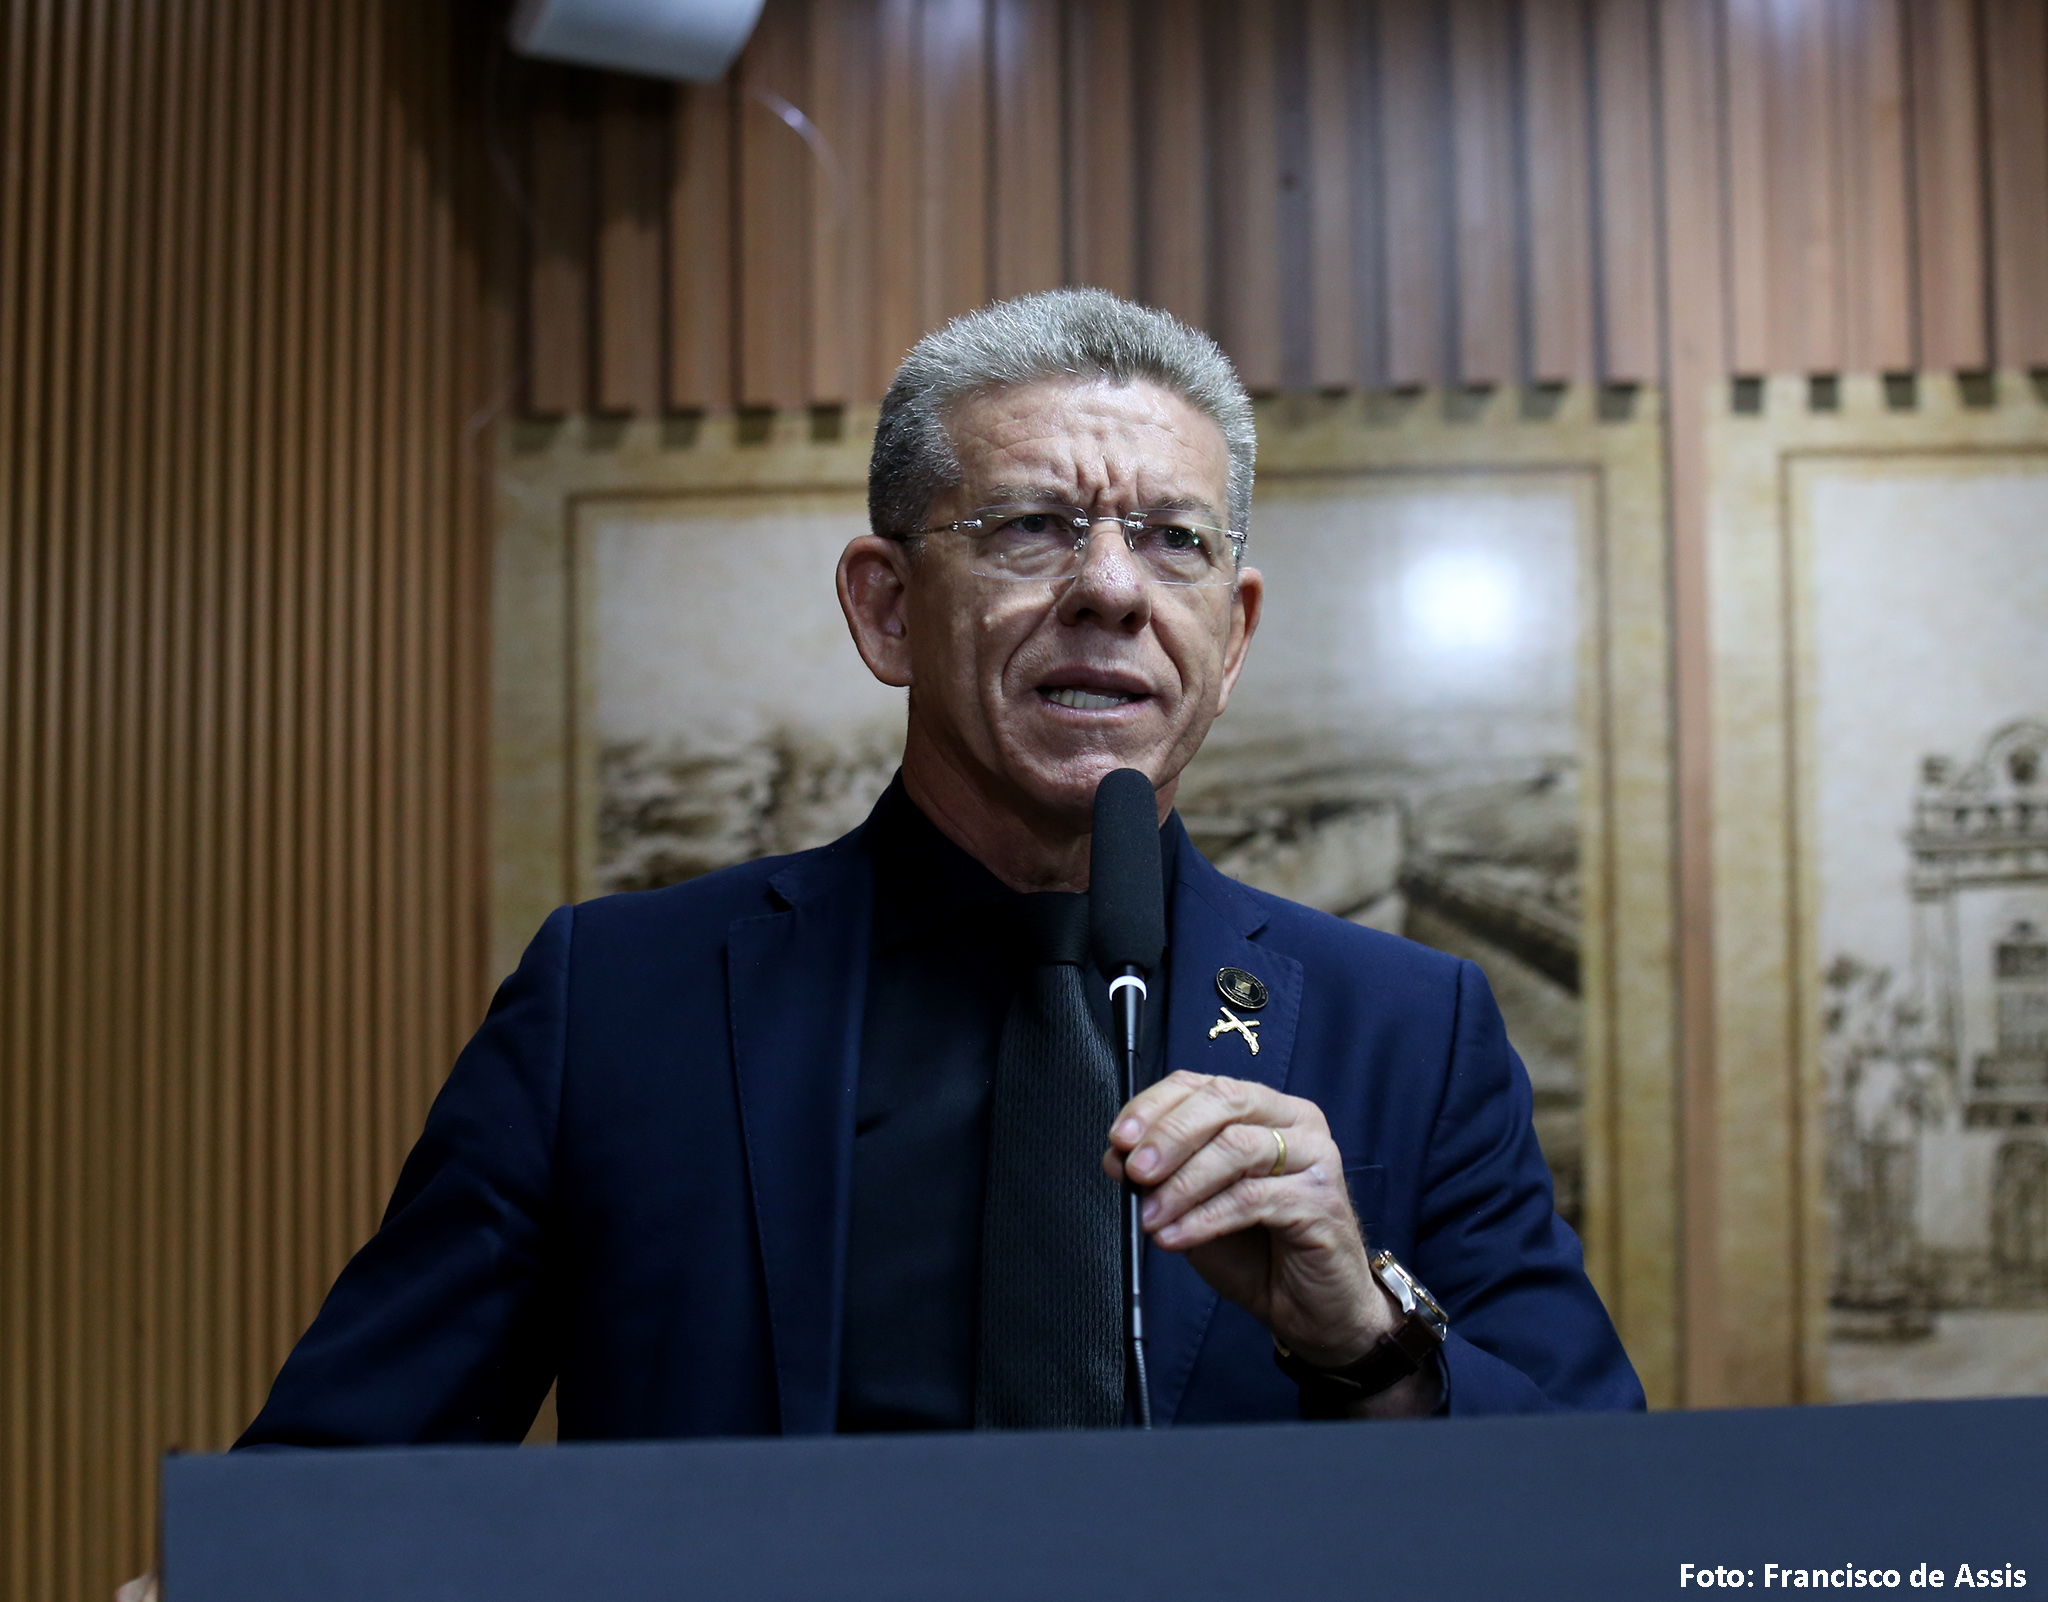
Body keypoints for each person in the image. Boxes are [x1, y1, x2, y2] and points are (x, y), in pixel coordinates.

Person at [237, 288, 1642, 1451]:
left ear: (1232, 637)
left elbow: (1606, 1510)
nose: (1112, 588)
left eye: (1175, 541)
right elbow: (337, 1483)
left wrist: (1371, 1341)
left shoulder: (1413, 1030)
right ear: (887, 607)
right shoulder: (613, 1004)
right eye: (1033, 526)